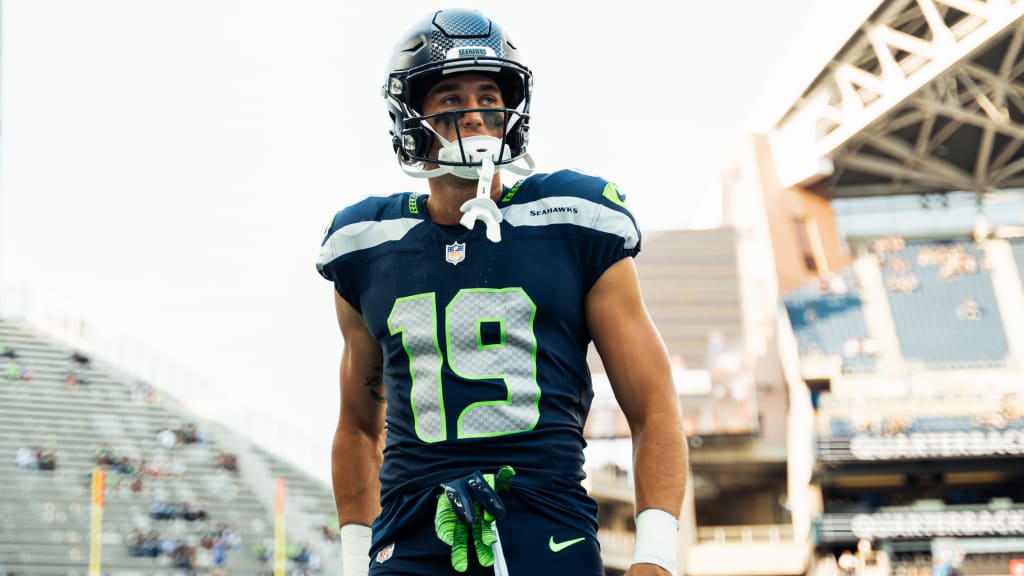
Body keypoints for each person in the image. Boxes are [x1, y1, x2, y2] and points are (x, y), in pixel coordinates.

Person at [316, 9, 687, 576]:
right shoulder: (365, 245)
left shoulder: (572, 220)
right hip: (410, 530)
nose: (476, 115)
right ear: (412, 118)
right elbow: (358, 426)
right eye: (450, 100)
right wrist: (351, 561)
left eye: (489, 95)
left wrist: (655, 557)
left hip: (544, 518)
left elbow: (654, 406)